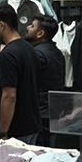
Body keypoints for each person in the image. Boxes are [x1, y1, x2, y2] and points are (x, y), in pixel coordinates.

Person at [0, 2, 42, 144]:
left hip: (16, 130)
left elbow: (9, 96)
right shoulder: (29, 49)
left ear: (1, 25)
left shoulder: (7, 55)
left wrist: (2, 132)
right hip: (32, 125)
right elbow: (25, 89)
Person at [25, 14, 65, 146]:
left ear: (40, 33)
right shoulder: (57, 52)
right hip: (54, 111)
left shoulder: (36, 54)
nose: (27, 27)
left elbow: (27, 85)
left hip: (40, 112)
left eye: (32, 26)